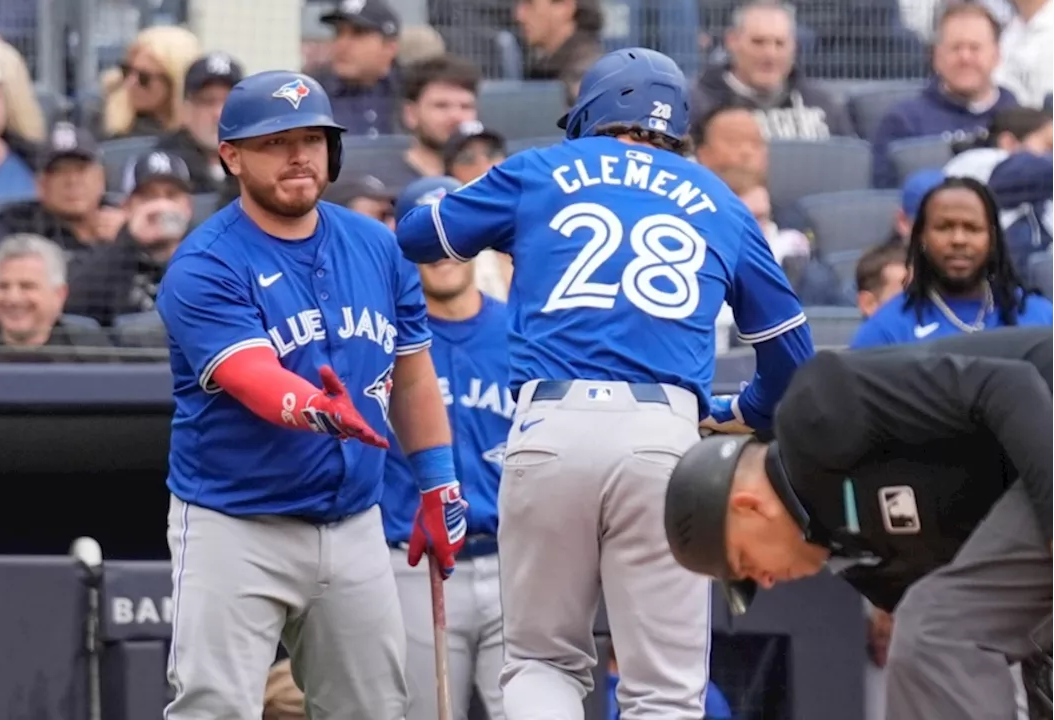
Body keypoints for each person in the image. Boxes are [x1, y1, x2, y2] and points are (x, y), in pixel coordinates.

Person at [396, 48, 814, 719]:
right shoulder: (719, 199)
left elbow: (419, 235)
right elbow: (794, 362)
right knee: (666, 688)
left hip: (548, 429)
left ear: (590, 112)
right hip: (666, 437)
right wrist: (739, 409)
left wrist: (504, 220)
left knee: (541, 661)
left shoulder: (540, 169)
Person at [155, 70, 466, 720]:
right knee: (213, 709)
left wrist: (438, 482)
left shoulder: (379, 247)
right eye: (275, 142)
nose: (299, 155)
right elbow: (252, 376)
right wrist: (313, 407)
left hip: (353, 523)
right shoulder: (204, 264)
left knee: (374, 708)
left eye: (312, 139)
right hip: (235, 523)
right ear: (232, 157)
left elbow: (411, 373)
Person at [662, 325, 1054, 720]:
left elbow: (1010, 386)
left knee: (935, 635)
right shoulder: (859, 560)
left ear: (749, 506)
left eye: (745, 564)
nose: (764, 581)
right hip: (1028, 495)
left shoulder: (817, 410)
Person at [384, 175, 509, 720]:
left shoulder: (518, 330)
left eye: (449, 237)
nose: (440, 255)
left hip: (512, 560)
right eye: (426, 241)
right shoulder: (383, 339)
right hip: (416, 565)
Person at [850, 175, 1054, 348]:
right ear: (921, 237)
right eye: (944, 227)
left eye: (972, 228)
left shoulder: (1041, 319)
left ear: (992, 240)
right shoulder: (886, 329)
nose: (958, 240)